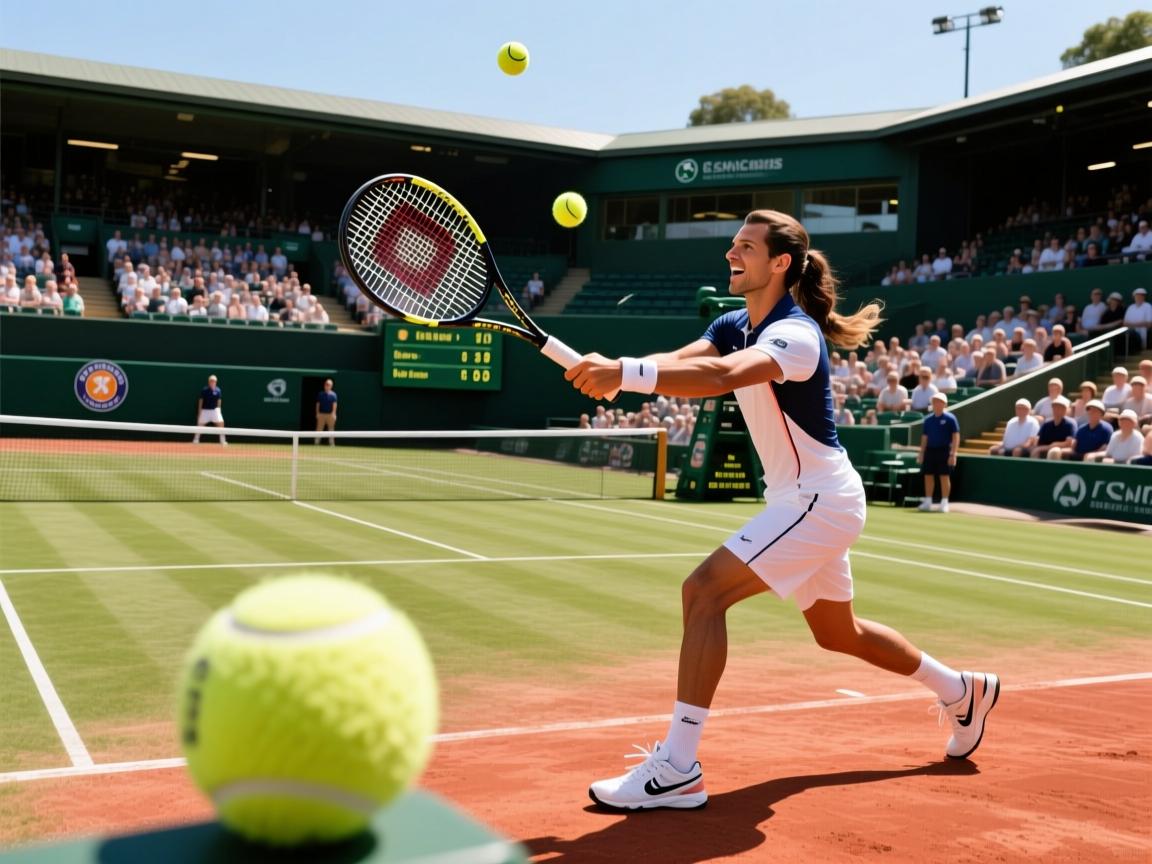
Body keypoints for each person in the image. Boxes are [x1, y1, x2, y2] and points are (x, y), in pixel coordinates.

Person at [565, 210, 998, 811]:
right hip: (809, 498)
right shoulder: (732, 320)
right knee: (836, 634)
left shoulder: (794, 335)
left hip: (818, 500)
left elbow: (719, 376)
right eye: (732, 245)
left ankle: (679, 766)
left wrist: (627, 374)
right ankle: (961, 688)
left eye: (745, 246)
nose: (730, 255)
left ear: (780, 263)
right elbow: (689, 359)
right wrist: (616, 372)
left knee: (703, 592)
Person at [917, 392, 959, 512]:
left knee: (944, 476)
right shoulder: (928, 420)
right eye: (934, 401)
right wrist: (921, 453)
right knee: (928, 475)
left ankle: (944, 502)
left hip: (945, 450)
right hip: (930, 450)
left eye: (939, 401)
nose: (936, 403)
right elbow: (924, 438)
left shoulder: (950, 419)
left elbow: (956, 436)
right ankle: (928, 501)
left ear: (944, 404)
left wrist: (953, 453)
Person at [192, 374, 227, 445]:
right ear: (209, 382)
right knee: (200, 425)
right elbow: (201, 401)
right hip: (205, 411)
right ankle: (196, 439)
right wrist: (199, 411)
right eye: (211, 381)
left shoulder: (218, 390)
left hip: (215, 411)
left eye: (214, 381)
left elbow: (219, 401)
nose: (212, 382)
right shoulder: (204, 390)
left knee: (221, 423)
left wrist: (219, 411)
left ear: (216, 382)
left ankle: (222, 440)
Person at [315, 378, 338, 446]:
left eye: (328, 385)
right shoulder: (320, 394)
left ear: (331, 386)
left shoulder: (333, 395)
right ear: (324, 385)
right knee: (319, 429)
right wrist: (317, 413)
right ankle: (316, 443)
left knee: (331, 429)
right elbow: (318, 404)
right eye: (326, 384)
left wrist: (333, 413)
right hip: (321, 414)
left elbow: (334, 404)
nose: (327, 386)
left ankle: (331, 443)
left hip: (330, 415)